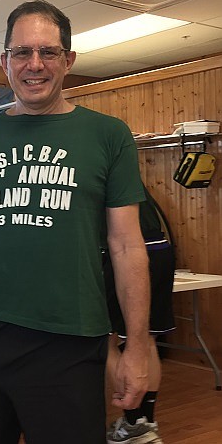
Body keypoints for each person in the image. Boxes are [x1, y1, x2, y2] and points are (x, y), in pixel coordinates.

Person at [0, 0, 151, 444]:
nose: (35, 65)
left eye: (48, 52)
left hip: (69, 338)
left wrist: (137, 346)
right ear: (4, 61)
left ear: (68, 60)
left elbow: (127, 245)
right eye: (22, 53)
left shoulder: (108, 135)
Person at [105, 185, 175, 444]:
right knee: (147, 338)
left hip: (125, 250)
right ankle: (146, 421)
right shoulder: (124, 169)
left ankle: (133, 424)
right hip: (160, 248)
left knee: (106, 340)